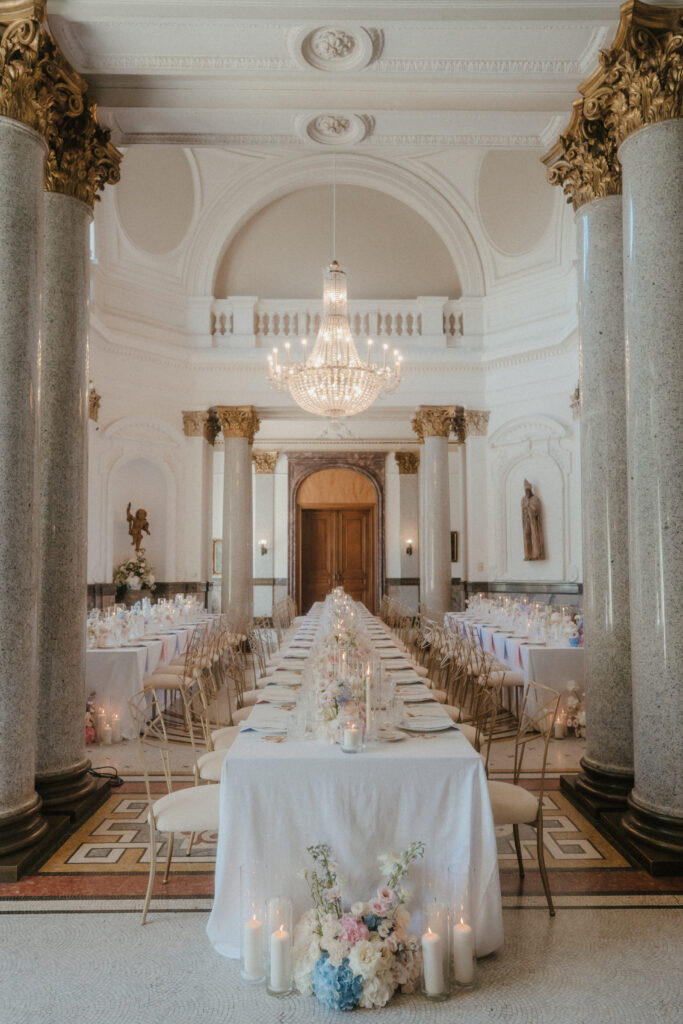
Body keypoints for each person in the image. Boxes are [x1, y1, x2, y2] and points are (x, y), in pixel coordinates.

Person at [521, 480, 544, 560]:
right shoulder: (523, 499)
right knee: (526, 535)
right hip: (526, 521)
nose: (526, 493)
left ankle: (536, 554)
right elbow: (522, 509)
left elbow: (536, 509)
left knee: (534, 536)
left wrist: (530, 508)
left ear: (530, 491)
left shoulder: (535, 499)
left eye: (528, 491)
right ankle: (528, 554)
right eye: (525, 491)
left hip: (533, 521)